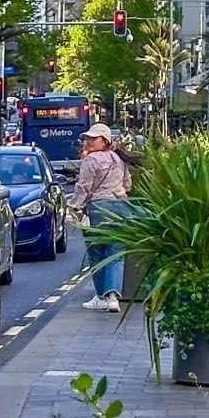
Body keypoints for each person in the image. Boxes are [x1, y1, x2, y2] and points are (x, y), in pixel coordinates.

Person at [70, 123, 132, 312]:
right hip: (122, 208)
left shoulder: (91, 160)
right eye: (87, 138)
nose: (87, 141)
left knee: (96, 253)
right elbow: (127, 184)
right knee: (116, 252)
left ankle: (101, 296)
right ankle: (113, 297)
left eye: (92, 138)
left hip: (99, 209)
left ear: (104, 141)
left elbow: (84, 187)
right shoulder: (118, 159)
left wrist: (75, 207)